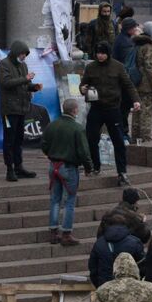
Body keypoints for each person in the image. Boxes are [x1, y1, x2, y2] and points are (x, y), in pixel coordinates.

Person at [81, 43, 140, 185]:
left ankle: (122, 172)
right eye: (98, 53)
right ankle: (95, 166)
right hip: (95, 108)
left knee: (118, 141)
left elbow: (128, 85)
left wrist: (136, 100)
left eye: (103, 53)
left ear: (108, 53)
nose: (100, 55)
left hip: (113, 109)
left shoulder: (118, 66)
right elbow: (83, 84)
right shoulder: (90, 67)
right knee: (91, 138)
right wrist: (82, 88)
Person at [41, 97, 90, 246]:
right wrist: (88, 167)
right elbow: (83, 151)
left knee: (55, 199)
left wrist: (51, 153)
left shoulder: (52, 125)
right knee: (69, 200)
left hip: (53, 165)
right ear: (75, 110)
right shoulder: (78, 128)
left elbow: (44, 145)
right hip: (68, 167)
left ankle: (53, 232)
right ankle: (66, 233)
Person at [0, 40, 41, 182]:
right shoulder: (4, 64)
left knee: (19, 139)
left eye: (25, 55)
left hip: (21, 109)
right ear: (16, 52)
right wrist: (25, 79)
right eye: (22, 54)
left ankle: (19, 167)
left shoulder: (23, 66)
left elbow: (25, 85)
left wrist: (33, 87)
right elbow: (6, 83)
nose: (23, 57)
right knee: (9, 140)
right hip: (9, 110)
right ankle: (9, 169)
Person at [88, 214, 146, 287]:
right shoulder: (135, 242)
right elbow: (143, 266)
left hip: (105, 286)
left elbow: (93, 268)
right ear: (125, 225)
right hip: (130, 286)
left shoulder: (99, 243)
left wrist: (99, 285)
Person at [131, 26, 152, 144]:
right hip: (147, 86)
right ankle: (146, 140)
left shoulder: (137, 44)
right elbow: (151, 68)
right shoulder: (149, 47)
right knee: (146, 113)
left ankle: (135, 138)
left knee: (136, 112)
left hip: (136, 83)